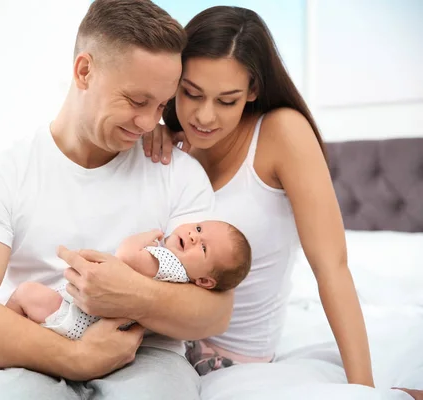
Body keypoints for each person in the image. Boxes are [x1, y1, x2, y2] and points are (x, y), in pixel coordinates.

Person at [0, 1, 237, 399]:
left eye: (161, 105)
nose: (149, 123)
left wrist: (133, 293)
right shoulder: (3, 173)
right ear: (84, 71)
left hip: (147, 354)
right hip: (38, 344)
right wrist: (77, 356)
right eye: (136, 101)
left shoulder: (175, 172)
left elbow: (214, 312)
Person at [143, 5, 423, 399]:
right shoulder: (166, 145)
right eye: (191, 93)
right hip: (165, 348)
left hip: (238, 364)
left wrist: (364, 391)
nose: (204, 116)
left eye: (227, 100)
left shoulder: (281, 135)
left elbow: (332, 267)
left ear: (253, 90)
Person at [0, 222, 251, 382]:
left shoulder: (169, 264)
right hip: (95, 329)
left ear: (205, 282)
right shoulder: (183, 283)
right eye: (199, 228)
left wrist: (143, 238)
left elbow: (127, 256)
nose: (191, 234)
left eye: (202, 247)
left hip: (79, 318)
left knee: (25, 293)